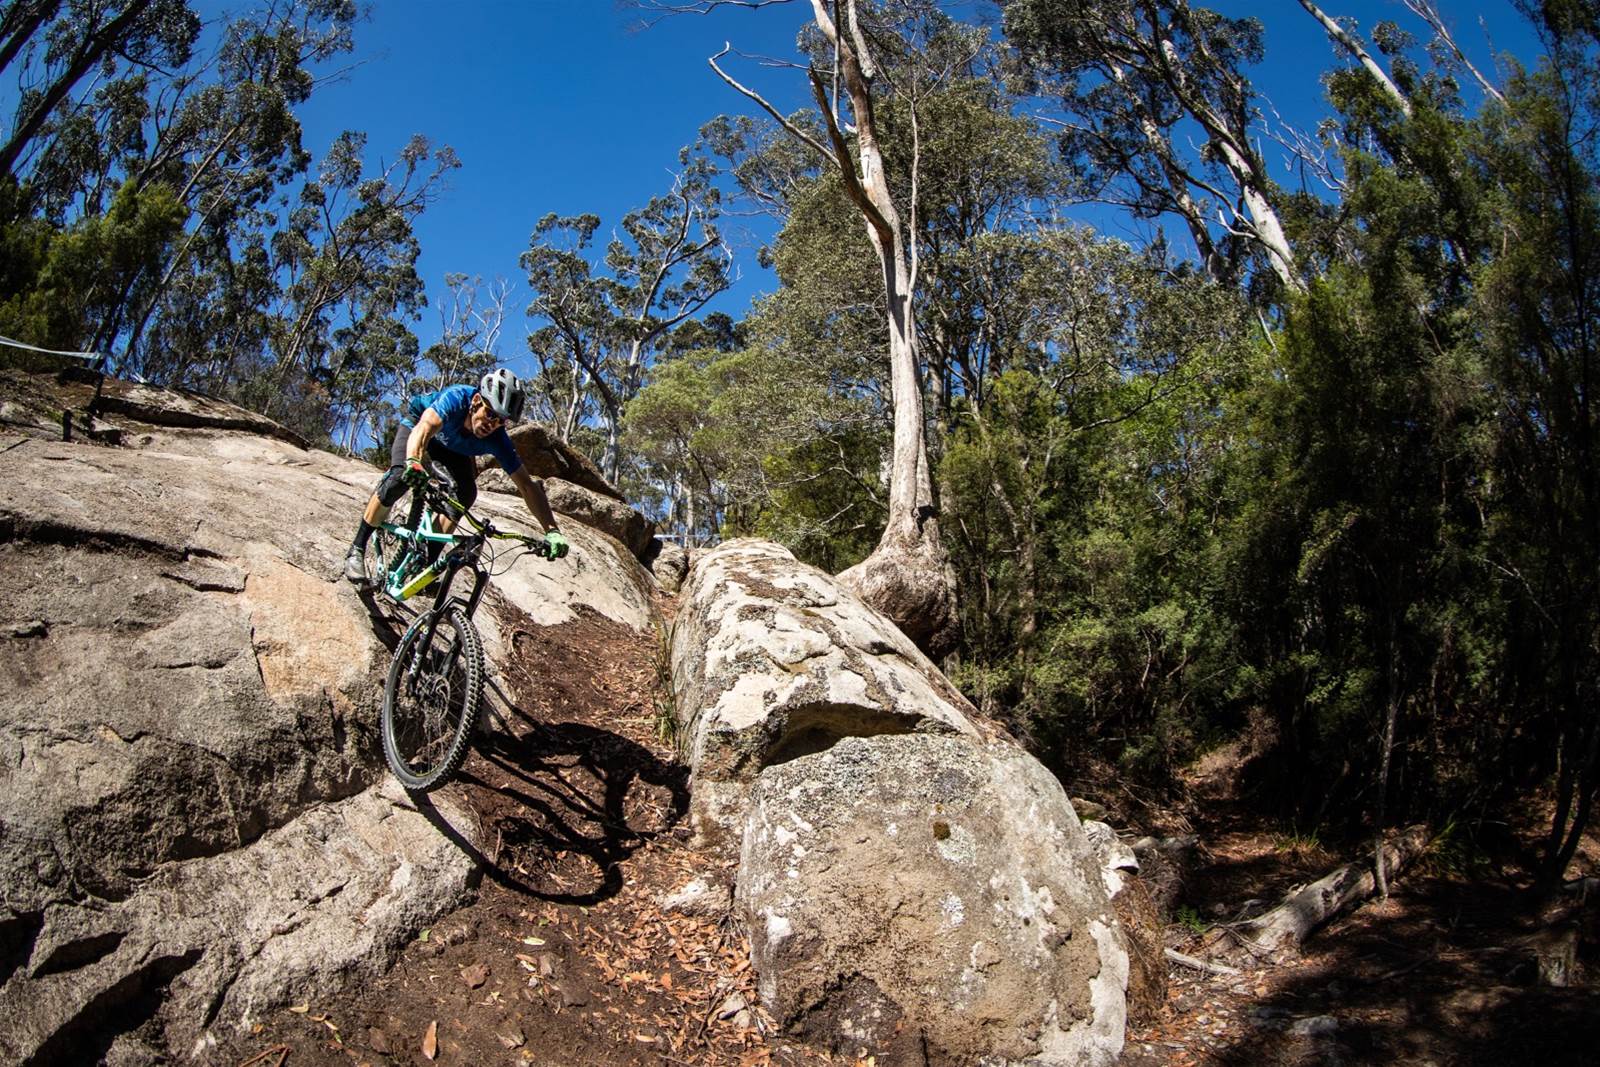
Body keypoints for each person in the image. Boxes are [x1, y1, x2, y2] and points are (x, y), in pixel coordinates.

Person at [343, 367, 569, 582]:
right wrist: (413, 461)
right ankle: (357, 549)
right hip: (420, 426)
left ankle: (424, 568)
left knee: (465, 494)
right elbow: (425, 427)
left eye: (501, 420)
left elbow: (527, 486)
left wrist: (552, 530)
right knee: (400, 475)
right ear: (476, 401)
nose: (492, 424)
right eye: (490, 413)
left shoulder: (498, 438)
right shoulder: (456, 398)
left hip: (453, 449)